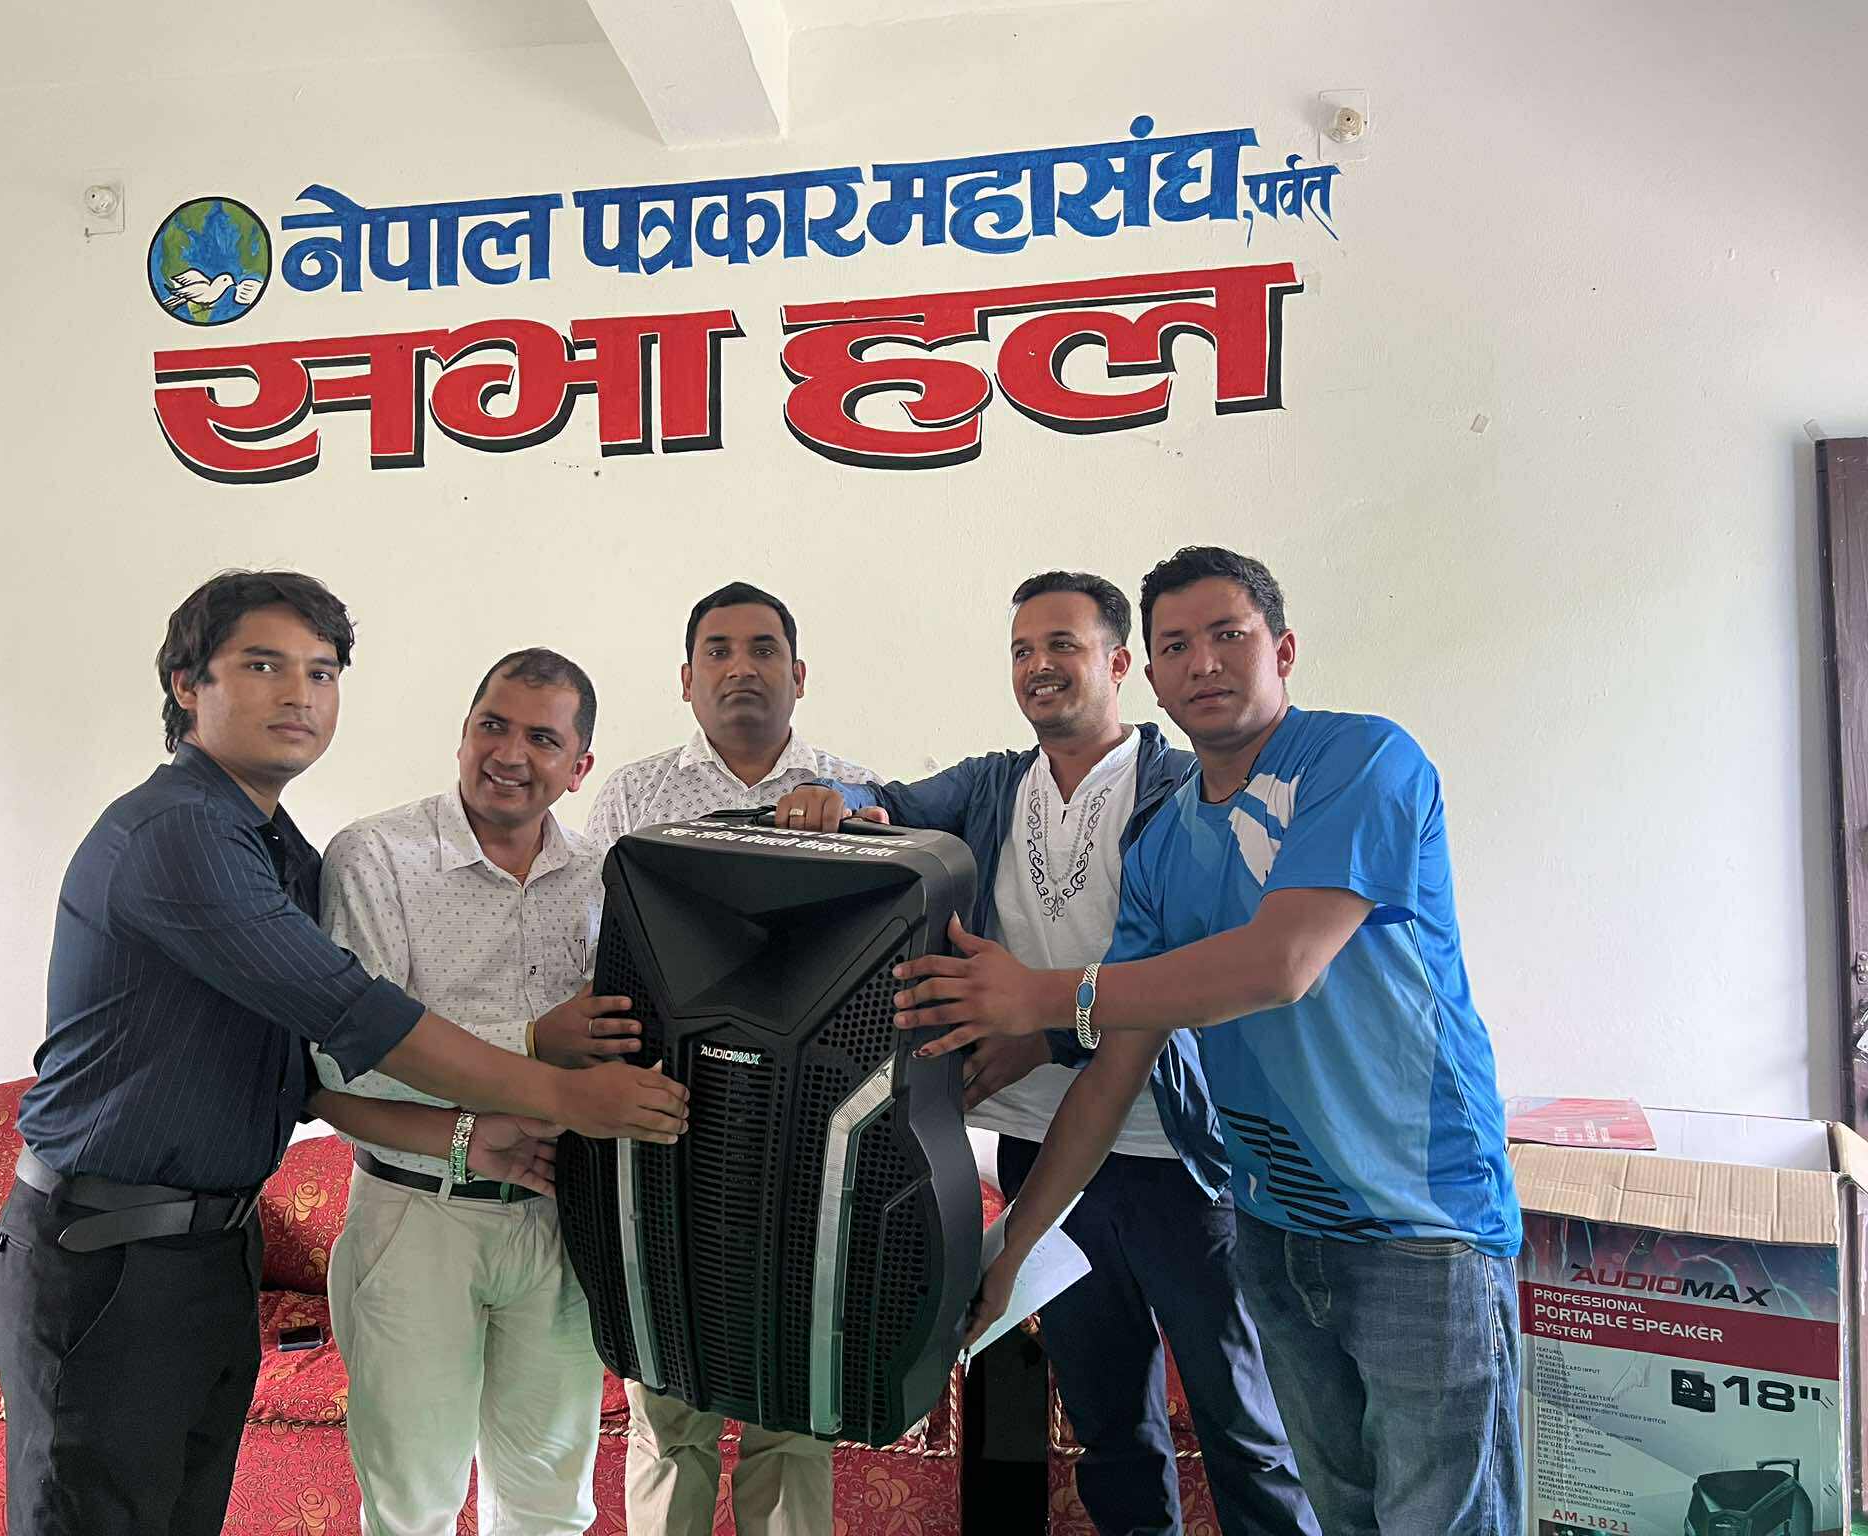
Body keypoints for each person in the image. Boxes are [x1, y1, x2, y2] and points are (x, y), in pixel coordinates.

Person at [0, 572, 687, 1536]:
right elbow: (353, 1019)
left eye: (321, 673)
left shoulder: (274, 846)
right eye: (263, 666)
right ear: (187, 684)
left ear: (579, 766)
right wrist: (562, 1090)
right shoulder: (184, 835)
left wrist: (465, 1136)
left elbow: (298, 1078)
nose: (299, 695)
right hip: (112, 1251)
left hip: (215, 1245)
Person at [887, 546, 1522, 1534]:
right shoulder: (1162, 843)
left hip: (1419, 1227)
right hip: (1276, 1226)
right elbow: (1112, 1075)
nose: (1204, 662)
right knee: (1337, 1514)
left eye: (1229, 635)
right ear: (1153, 669)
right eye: (1178, 644)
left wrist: (1037, 1000)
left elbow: (1281, 964)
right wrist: (1013, 1250)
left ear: (1283, 649)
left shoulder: (1359, 760)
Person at [773, 572, 1317, 1536]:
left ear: (1120, 663)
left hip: (1178, 1153)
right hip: (1038, 1151)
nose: (1038, 667)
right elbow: (885, 803)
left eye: (1062, 645)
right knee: (1108, 1425)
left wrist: (1050, 1031)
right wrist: (832, 796)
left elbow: (1191, 971)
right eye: (1022, 650)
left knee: (1244, 1427)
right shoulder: (990, 785)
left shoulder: (1179, 789)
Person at [308, 648, 633, 1536]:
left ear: (579, 767)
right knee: (411, 1505)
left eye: (542, 739)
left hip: (558, 1214)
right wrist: (531, 1039)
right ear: (462, 733)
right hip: (419, 1212)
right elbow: (342, 1060)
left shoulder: (607, 877)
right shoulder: (377, 856)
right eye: (493, 725)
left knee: (550, 1504)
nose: (510, 754)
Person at [584, 581, 875, 1536]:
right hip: (667, 1129)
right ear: (686, 678)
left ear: (800, 673)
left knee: (795, 1406)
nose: (740, 667)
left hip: (810, 1138)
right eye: (718, 650)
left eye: (762, 649)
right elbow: (598, 949)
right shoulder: (634, 798)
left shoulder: (856, 791)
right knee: (670, 1405)